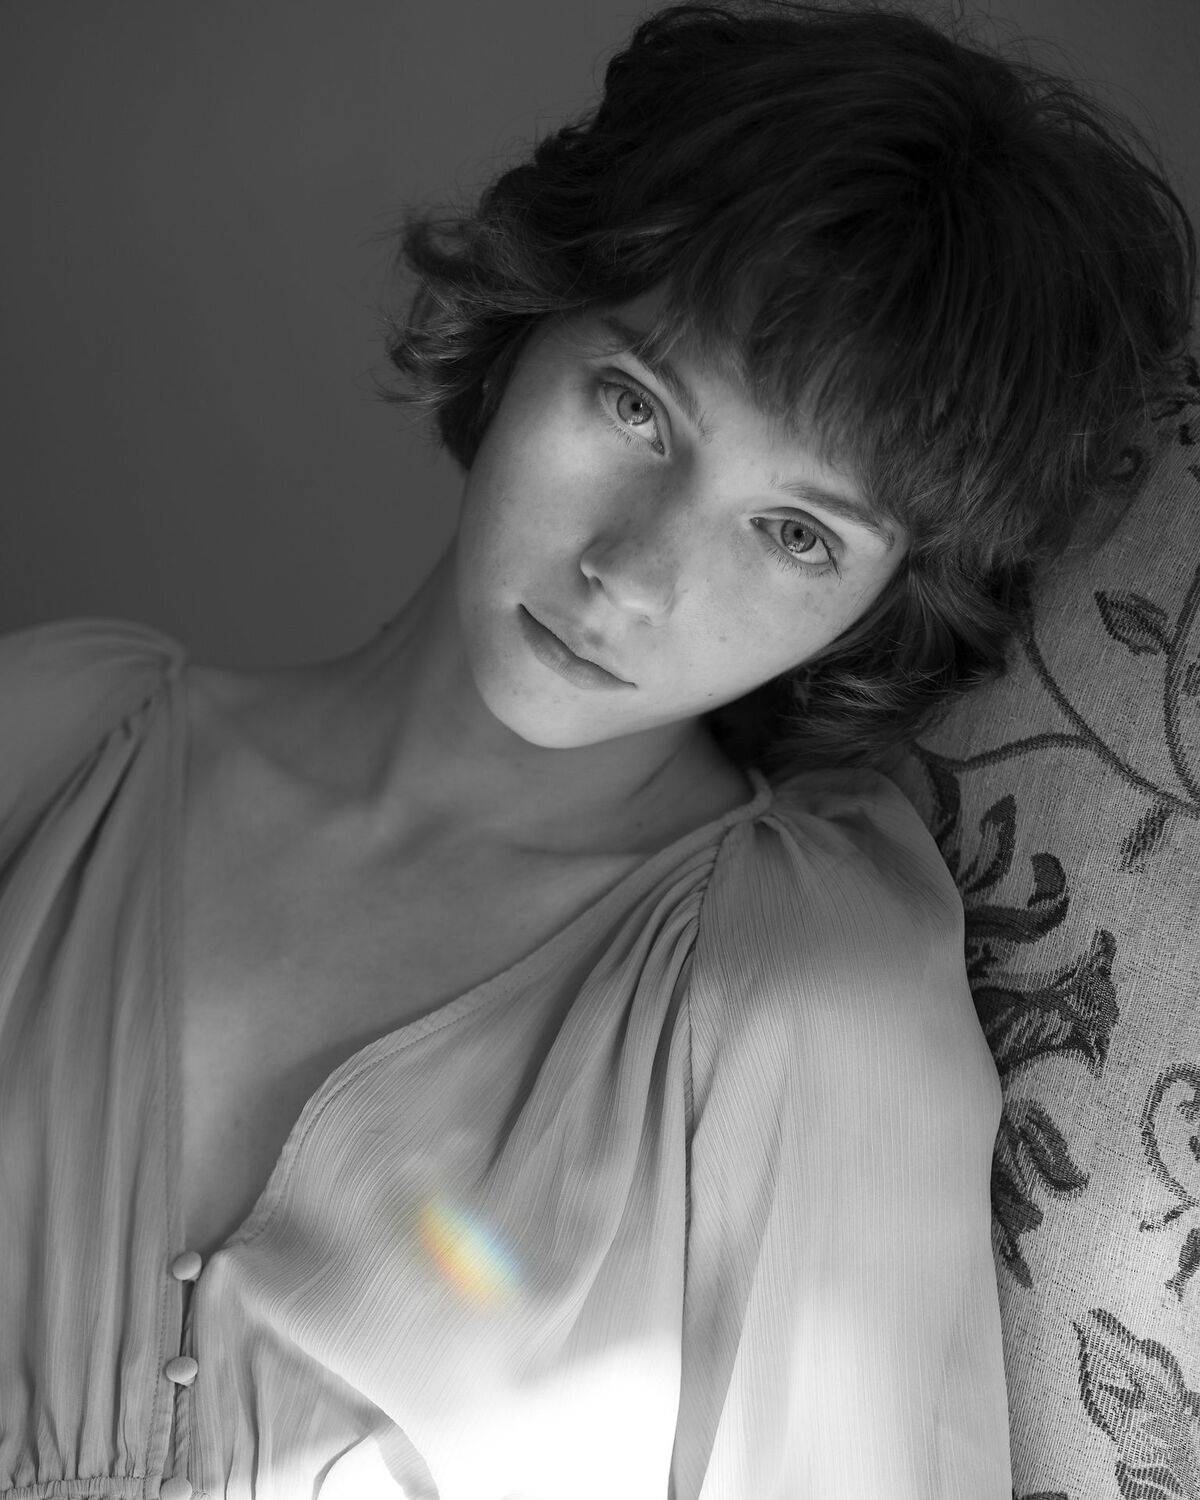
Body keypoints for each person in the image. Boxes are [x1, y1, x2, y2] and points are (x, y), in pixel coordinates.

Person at [0, 1, 1192, 1497]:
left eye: (796, 534)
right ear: (523, 326)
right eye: (637, 407)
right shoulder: (50, 742)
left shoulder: (804, 996)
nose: (631, 576)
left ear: (888, 602)